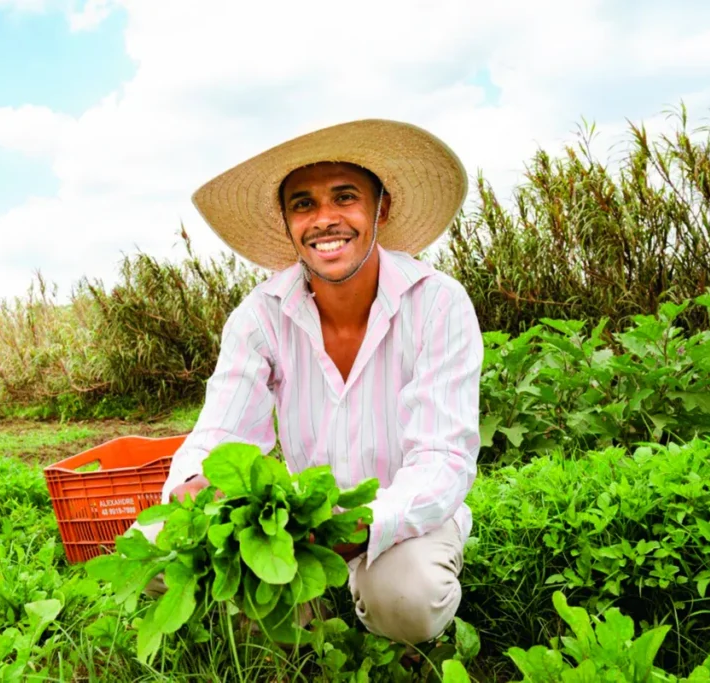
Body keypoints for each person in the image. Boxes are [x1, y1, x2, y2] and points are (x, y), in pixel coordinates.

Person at [139, 119, 483, 646]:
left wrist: (362, 525)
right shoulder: (260, 316)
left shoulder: (438, 303)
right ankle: (302, 611)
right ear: (286, 221)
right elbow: (222, 432)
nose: (324, 220)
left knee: (405, 598)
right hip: (301, 520)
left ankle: (385, 619)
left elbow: (443, 458)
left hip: (405, 516)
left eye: (344, 197)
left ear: (380, 209)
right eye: (303, 204)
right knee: (155, 543)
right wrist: (193, 486)